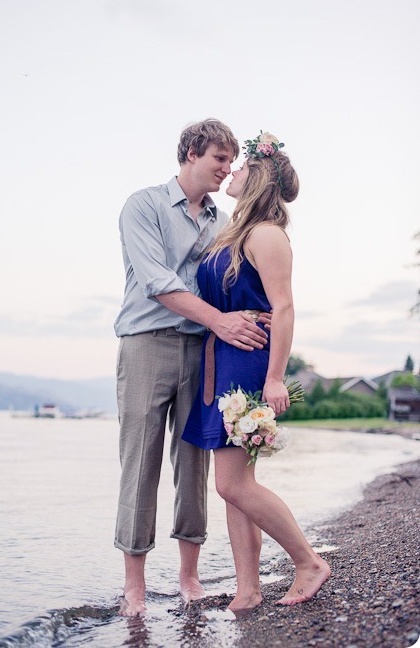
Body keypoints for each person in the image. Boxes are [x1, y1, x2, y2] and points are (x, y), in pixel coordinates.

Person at [114, 119, 271, 616]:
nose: (227, 169)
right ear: (189, 154)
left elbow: (227, 282)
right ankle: (134, 586)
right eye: (218, 160)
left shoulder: (222, 221)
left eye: (231, 161)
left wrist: (247, 313)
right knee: (141, 462)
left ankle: (189, 577)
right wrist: (223, 321)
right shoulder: (144, 205)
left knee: (195, 464)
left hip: (203, 350)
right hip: (147, 344)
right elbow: (157, 280)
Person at [182, 131, 331, 611]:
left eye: (240, 166)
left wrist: (274, 378)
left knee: (232, 484)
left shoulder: (266, 234)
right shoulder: (235, 232)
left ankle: (307, 561)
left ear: (257, 177)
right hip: (222, 359)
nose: (231, 171)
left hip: (248, 363)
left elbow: (284, 307)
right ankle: (248, 589)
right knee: (234, 489)